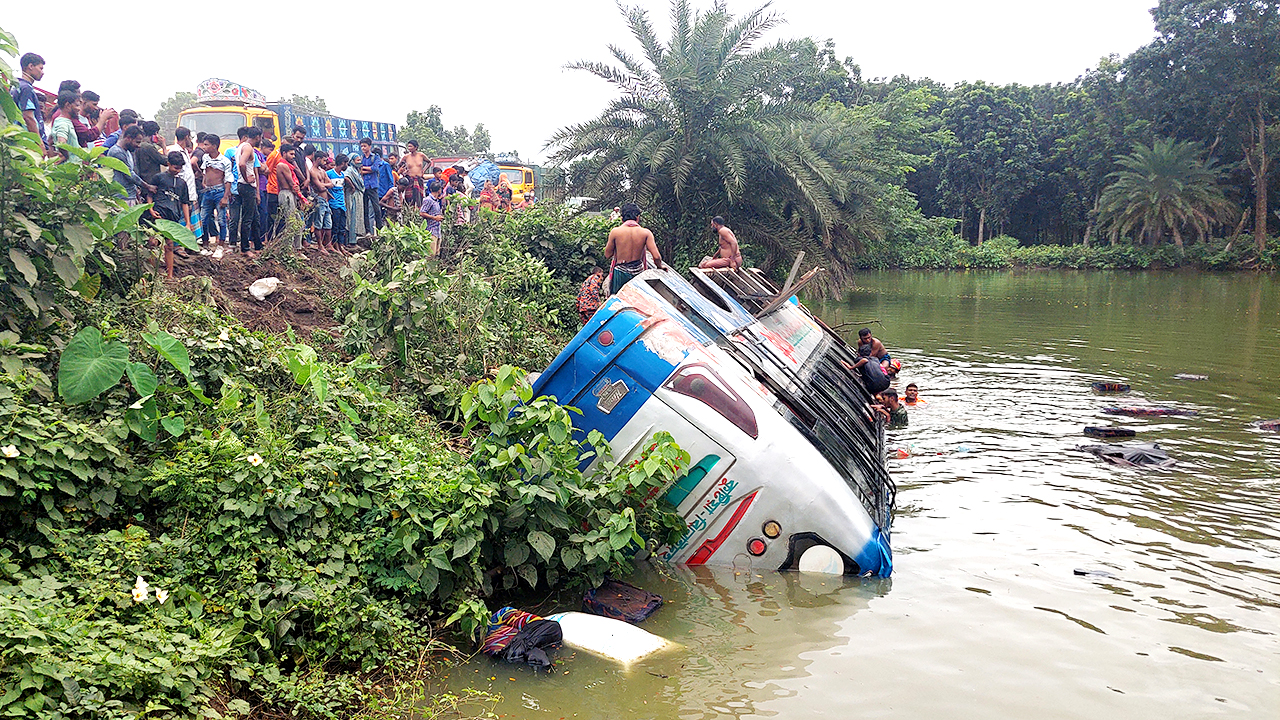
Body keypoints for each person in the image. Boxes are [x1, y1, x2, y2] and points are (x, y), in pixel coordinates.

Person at [147, 152, 195, 278]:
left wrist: (188, 223)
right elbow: (150, 194)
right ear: (168, 164)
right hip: (158, 214)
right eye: (175, 167)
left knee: (169, 245)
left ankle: (170, 275)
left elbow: (185, 203)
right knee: (153, 242)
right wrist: (151, 209)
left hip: (173, 216)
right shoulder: (159, 178)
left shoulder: (182, 183)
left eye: (179, 168)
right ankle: (151, 273)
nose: (177, 171)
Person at [604, 202, 665, 294]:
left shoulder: (615, 232)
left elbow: (607, 254)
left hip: (620, 274)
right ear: (637, 217)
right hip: (639, 274)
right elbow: (656, 257)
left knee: (619, 302)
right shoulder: (646, 233)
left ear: (622, 218)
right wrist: (660, 267)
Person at [198, 134, 232, 246]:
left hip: (219, 191)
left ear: (214, 146)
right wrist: (204, 181)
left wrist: (225, 197)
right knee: (203, 219)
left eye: (206, 144)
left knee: (222, 220)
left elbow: (228, 180)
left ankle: (221, 245)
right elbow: (205, 171)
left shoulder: (224, 161)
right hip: (207, 192)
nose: (204, 147)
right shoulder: (205, 158)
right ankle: (205, 244)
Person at [11, 53, 48, 154]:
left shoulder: (16, 86)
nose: (42, 72)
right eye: (40, 68)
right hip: (26, 143)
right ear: (30, 66)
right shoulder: (26, 88)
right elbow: (28, 117)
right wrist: (39, 143)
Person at [106, 126, 152, 203]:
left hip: (129, 196)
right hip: (121, 198)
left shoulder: (127, 152)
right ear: (128, 138)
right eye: (137, 142)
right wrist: (148, 186)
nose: (139, 145)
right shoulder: (117, 152)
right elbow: (129, 174)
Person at [236, 125, 263, 256]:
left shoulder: (242, 146)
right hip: (246, 186)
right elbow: (242, 163)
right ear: (257, 137)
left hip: (247, 186)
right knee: (248, 218)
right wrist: (247, 178)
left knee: (255, 218)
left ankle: (258, 246)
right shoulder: (247, 147)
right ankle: (245, 249)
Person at [274, 144, 304, 250]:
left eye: (294, 154)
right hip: (286, 194)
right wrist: (302, 199)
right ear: (284, 153)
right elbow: (292, 184)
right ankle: (289, 249)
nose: (293, 156)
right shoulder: (282, 165)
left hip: (290, 194)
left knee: (298, 223)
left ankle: (297, 248)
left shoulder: (287, 165)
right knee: (291, 222)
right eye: (291, 154)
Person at [308, 151, 335, 254]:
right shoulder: (312, 171)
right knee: (318, 223)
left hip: (326, 201)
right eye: (324, 160)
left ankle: (328, 244)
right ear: (318, 159)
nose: (325, 162)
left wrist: (324, 185)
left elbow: (331, 184)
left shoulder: (322, 171)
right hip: (319, 200)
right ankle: (320, 245)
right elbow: (319, 187)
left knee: (328, 224)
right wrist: (325, 184)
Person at [167, 127, 198, 214]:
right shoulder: (175, 151)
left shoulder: (184, 151)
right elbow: (174, 174)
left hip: (190, 194)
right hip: (183, 196)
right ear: (186, 137)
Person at [50, 90, 82, 162]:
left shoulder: (60, 121)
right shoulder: (63, 123)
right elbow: (61, 142)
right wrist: (66, 156)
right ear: (67, 105)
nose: (79, 109)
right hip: (70, 168)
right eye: (77, 105)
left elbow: (50, 141)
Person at [358, 138, 382, 233]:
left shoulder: (375, 157)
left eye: (365, 146)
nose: (363, 148)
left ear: (369, 146)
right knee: (365, 210)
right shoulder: (361, 158)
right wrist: (368, 169)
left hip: (373, 185)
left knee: (377, 209)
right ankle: (367, 231)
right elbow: (360, 171)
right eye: (362, 146)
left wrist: (363, 169)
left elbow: (375, 168)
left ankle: (380, 230)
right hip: (364, 186)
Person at [343, 151, 367, 241]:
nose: (359, 162)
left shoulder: (356, 170)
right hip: (352, 195)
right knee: (352, 216)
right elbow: (346, 177)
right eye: (358, 160)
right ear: (352, 161)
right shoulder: (349, 169)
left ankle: (355, 238)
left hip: (358, 195)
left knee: (357, 216)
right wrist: (352, 186)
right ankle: (351, 239)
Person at [327, 154, 349, 252]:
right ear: (342, 163)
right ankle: (335, 245)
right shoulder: (329, 174)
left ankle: (341, 245)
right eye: (346, 163)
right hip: (333, 204)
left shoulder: (343, 175)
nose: (347, 165)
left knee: (342, 226)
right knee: (335, 226)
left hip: (342, 204)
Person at [419, 178, 445, 254]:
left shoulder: (436, 201)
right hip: (430, 231)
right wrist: (434, 218)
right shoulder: (428, 200)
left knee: (436, 254)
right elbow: (422, 213)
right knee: (430, 254)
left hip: (437, 231)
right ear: (439, 190)